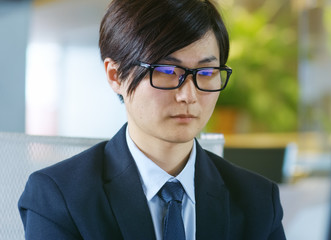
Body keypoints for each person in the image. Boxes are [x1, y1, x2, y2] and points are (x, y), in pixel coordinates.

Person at [18, 0, 286, 239]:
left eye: (205, 72)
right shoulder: (60, 197)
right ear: (115, 75)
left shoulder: (258, 201)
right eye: (167, 70)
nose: (188, 96)